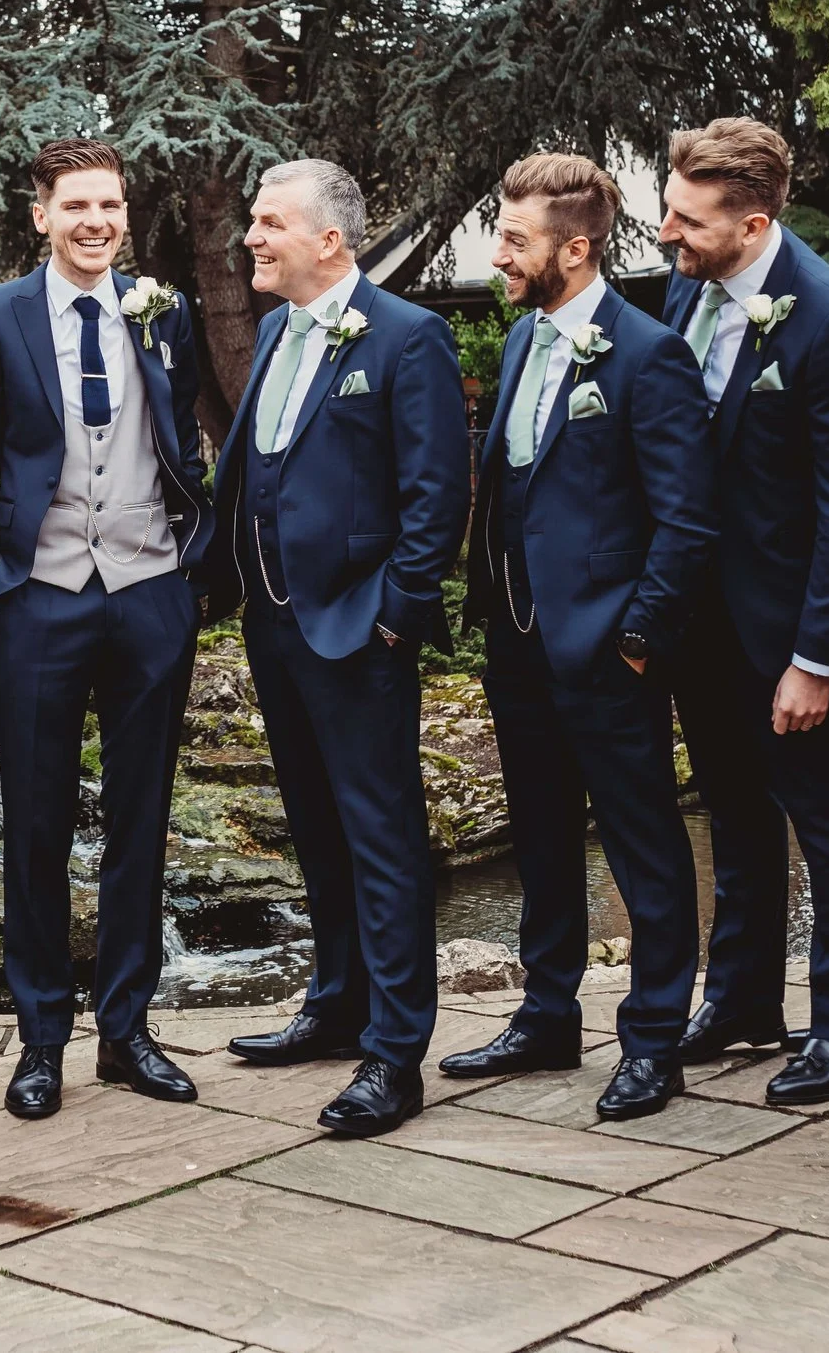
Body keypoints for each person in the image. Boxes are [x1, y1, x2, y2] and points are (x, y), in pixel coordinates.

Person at [440, 154, 718, 1122]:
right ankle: (547, 1013)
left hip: (607, 649)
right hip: (516, 644)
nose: (498, 255)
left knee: (642, 843)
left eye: (513, 240)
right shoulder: (522, 343)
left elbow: (686, 520)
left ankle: (651, 1041)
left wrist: (637, 636)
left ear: (576, 247)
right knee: (542, 836)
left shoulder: (647, 355)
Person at [0, 140, 215, 1120]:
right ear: (40, 216)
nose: (96, 221)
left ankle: (127, 1032)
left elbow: (182, 436)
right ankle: (41, 1040)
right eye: (76, 206)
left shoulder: (165, 311)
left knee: (141, 820)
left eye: (110, 204)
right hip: (40, 595)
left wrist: (189, 567)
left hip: (149, 590)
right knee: (35, 825)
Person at [205, 159, 469, 1139]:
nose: (251, 239)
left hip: (359, 628)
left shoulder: (408, 338)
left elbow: (436, 496)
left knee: (380, 835)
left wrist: (394, 614)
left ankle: (395, 1051)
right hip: (275, 626)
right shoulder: (276, 330)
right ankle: (336, 1002)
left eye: (269, 224)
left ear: (328, 240)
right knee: (315, 827)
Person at [654, 121, 829, 1105]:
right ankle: (744, 997)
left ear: (752, 224)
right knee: (733, 812)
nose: (666, 233)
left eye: (686, 219)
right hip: (700, 622)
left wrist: (817, 656)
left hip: (784, 628)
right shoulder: (684, 289)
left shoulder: (828, 318)